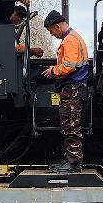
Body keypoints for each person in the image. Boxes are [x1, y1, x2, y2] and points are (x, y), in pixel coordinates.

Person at [40, 10, 89, 173]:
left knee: (71, 126)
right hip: (75, 88)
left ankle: (74, 164)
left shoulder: (69, 41)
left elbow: (69, 65)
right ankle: (71, 159)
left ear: (57, 26)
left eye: (51, 31)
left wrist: (53, 71)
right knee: (70, 125)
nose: (52, 35)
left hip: (73, 89)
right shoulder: (74, 37)